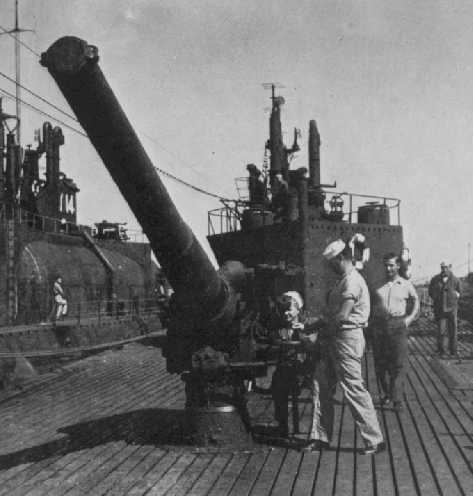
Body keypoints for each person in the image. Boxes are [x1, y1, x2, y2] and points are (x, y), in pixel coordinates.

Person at [307, 239, 384, 455]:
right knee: (320, 385)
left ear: (342, 258)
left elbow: (342, 315)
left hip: (347, 339)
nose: (331, 268)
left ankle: (375, 440)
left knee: (353, 388)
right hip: (335, 338)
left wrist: (318, 333)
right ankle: (320, 437)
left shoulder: (352, 282)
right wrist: (311, 324)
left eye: (332, 263)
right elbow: (333, 314)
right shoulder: (343, 280)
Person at [373, 253, 419, 411]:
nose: (388, 268)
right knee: (380, 365)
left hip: (398, 324)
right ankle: (387, 394)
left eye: (391, 265)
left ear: (398, 266)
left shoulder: (406, 284)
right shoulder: (378, 285)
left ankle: (397, 399)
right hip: (380, 327)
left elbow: (416, 301)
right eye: (386, 265)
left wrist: (409, 318)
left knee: (398, 363)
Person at [428, 262, 461, 357]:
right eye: (442, 267)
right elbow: (430, 291)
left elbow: (460, 292)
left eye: (446, 267)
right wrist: (436, 298)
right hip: (440, 309)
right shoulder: (435, 279)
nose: (444, 269)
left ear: (450, 267)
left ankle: (453, 351)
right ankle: (441, 351)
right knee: (441, 331)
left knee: (453, 330)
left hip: (452, 309)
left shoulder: (456, 280)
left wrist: (454, 296)